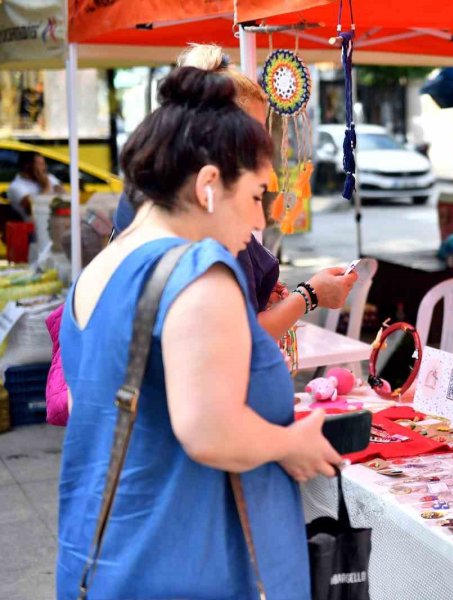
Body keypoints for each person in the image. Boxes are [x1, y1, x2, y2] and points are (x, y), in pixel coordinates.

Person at [56, 67, 354, 598]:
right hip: (190, 563)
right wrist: (290, 443)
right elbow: (209, 432)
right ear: (210, 185)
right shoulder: (200, 271)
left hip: (108, 557)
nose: (258, 219)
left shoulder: (101, 267)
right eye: (258, 195)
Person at [111, 44, 334, 340]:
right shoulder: (205, 239)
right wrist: (308, 296)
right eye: (255, 132)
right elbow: (244, 337)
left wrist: (257, 287)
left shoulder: (147, 204)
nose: (258, 221)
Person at [6, 151, 63, 220]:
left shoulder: (49, 177)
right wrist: (46, 187)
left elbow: (63, 195)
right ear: (27, 166)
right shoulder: (16, 187)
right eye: (40, 164)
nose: (44, 167)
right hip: (35, 225)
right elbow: (32, 210)